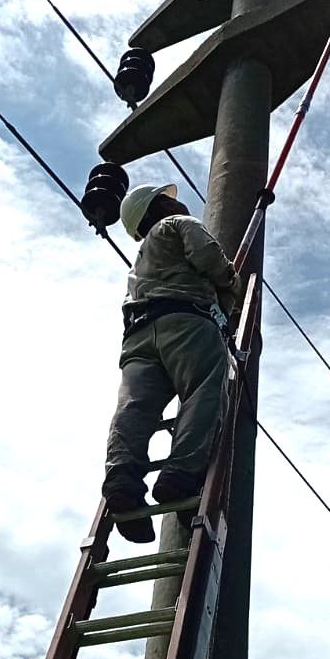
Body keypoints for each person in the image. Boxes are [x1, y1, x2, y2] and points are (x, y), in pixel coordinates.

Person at [102, 182, 240, 543]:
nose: (173, 203)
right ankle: (180, 476)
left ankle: (121, 480)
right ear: (156, 209)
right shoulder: (176, 224)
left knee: (134, 409)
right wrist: (230, 281)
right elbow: (208, 255)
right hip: (185, 321)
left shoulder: (139, 263)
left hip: (137, 336)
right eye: (165, 200)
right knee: (204, 392)